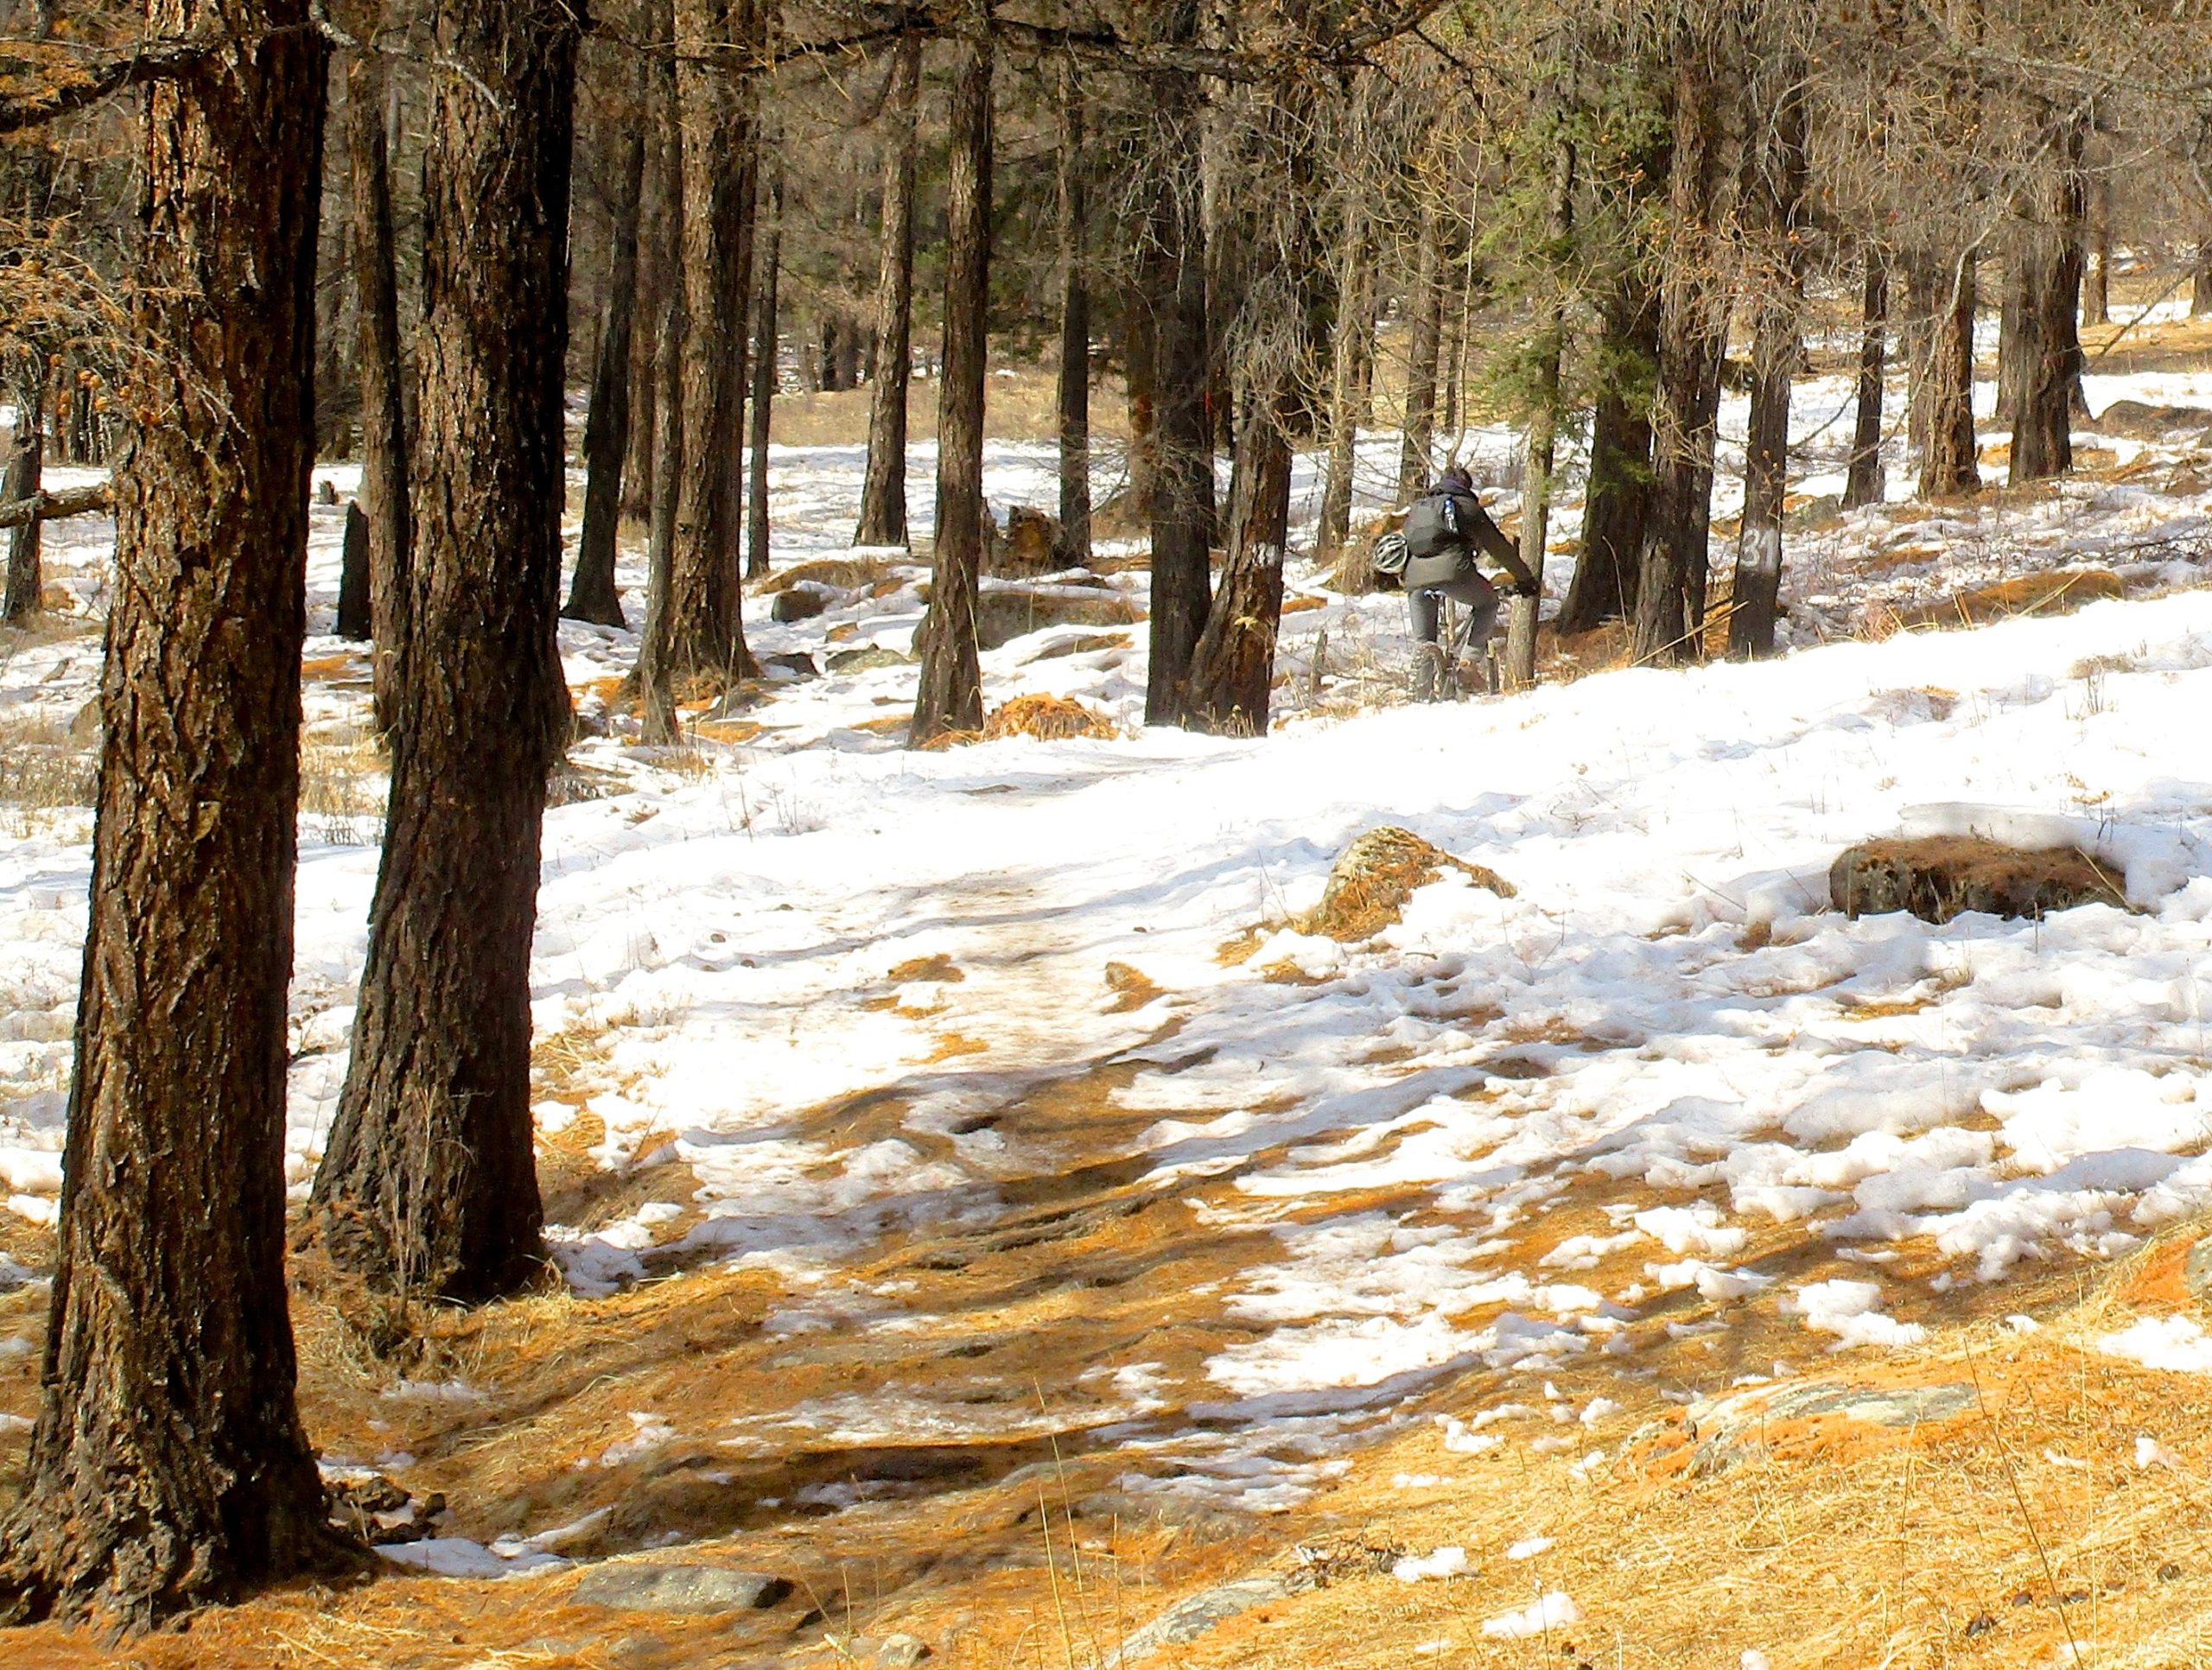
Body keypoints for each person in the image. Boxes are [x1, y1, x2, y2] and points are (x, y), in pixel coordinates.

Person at [1398, 464, 1541, 700]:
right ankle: (1468, 663)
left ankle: (1420, 697)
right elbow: (1498, 547)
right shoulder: (1465, 507)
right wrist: (1525, 579)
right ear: (1465, 485)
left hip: (1415, 580)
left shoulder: (1418, 508)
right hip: (1454, 573)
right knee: (1488, 603)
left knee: (1423, 641)